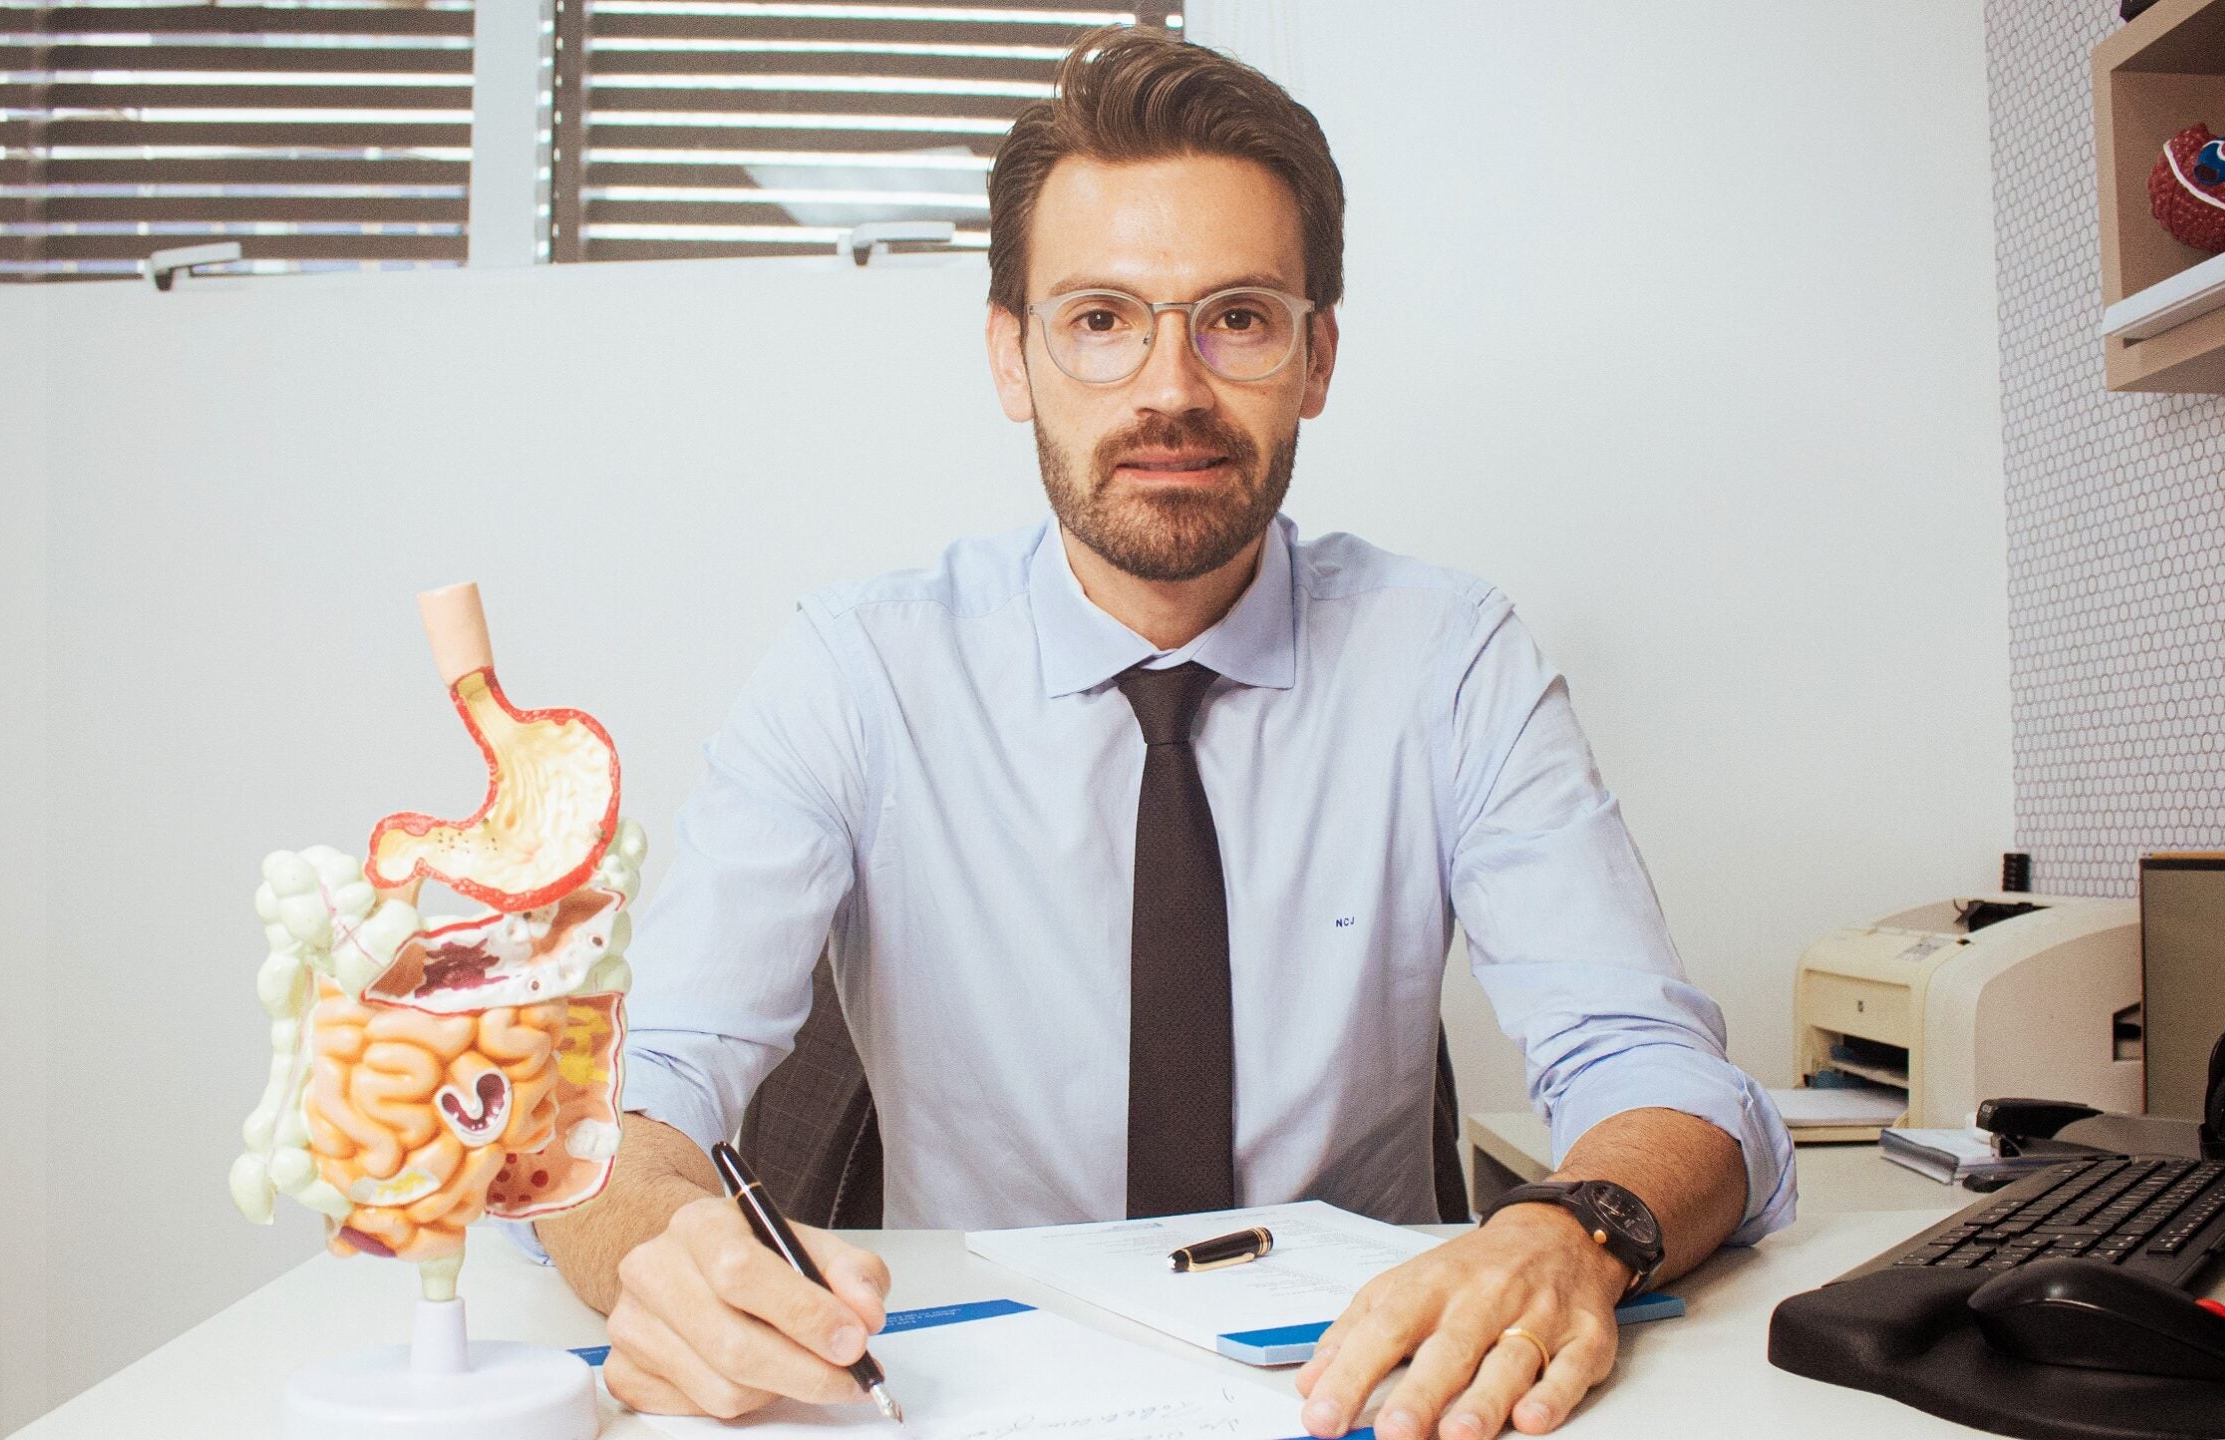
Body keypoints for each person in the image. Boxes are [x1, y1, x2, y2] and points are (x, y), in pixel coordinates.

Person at [535, 26, 1794, 1440]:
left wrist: (1570, 1235)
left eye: (1238, 317)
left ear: (1316, 358)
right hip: (964, 1394)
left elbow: (1656, 1069)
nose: (1171, 389)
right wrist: (661, 1255)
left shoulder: (1449, 661)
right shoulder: (856, 670)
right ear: (1012, 357)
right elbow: (632, 1094)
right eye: (1101, 319)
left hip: (1364, 1393)